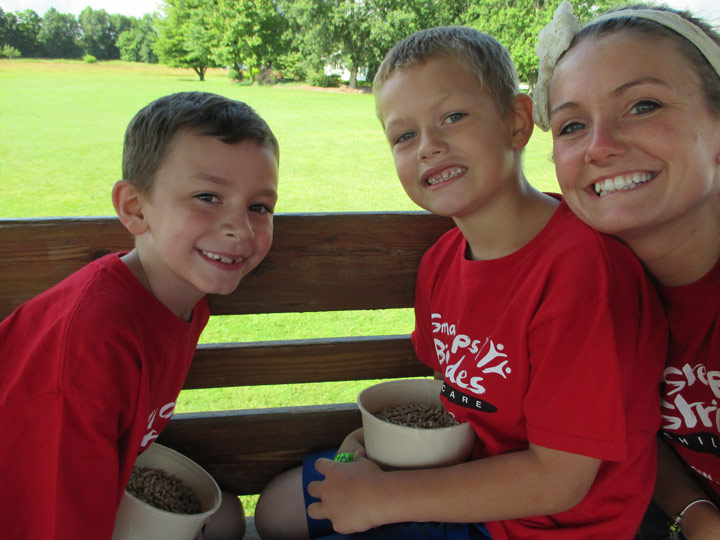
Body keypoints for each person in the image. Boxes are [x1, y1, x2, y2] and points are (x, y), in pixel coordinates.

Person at [254, 26, 666, 540]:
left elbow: (558, 480)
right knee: (278, 508)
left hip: (547, 525)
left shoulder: (581, 274)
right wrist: (377, 444)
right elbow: (464, 398)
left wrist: (383, 498)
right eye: (404, 136)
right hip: (463, 478)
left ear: (517, 123)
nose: (429, 146)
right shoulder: (440, 263)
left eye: (452, 117)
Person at [0, 91, 279, 539]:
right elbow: (50, 516)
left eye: (259, 207)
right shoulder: (91, 347)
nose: (240, 228)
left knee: (223, 517)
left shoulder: (182, 298)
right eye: (208, 196)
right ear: (134, 208)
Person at [532, 2, 720, 539]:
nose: (600, 147)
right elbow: (632, 432)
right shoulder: (581, 282)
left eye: (642, 105)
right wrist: (696, 515)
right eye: (571, 125)